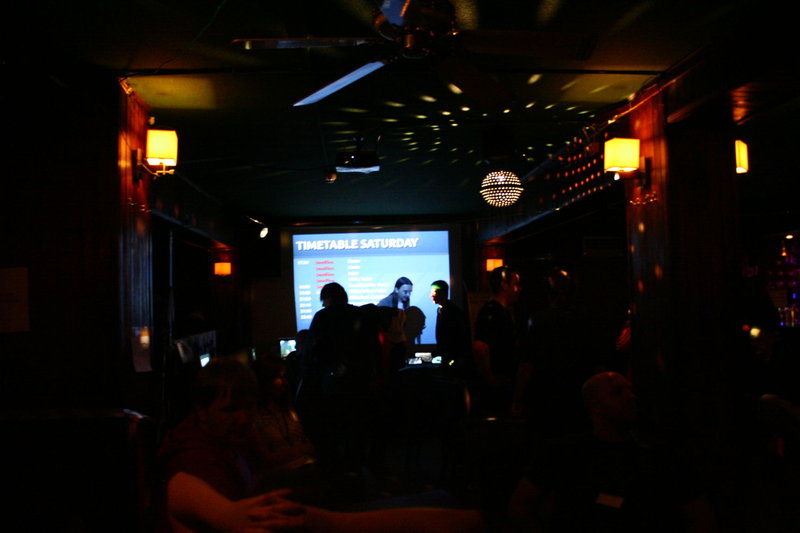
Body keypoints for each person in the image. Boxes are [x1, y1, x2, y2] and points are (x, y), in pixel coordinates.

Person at [507, 371, 717, 533]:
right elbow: (519, 507)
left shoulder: (661, 457)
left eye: (630, 390)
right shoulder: (563, 453)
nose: (631, 397)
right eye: (617, 392)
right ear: (595, 406)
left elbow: (701, 516)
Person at [158, 357, 306, 532]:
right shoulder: (195, 460)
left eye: (249, 407)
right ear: (202, 411)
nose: (243, 419)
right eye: (230, 410)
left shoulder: (232, 439)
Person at [472, 266, 522, 415]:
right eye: (516, 284)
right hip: (498, 384)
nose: (519, 289)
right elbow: (479, 347)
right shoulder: (493, 312)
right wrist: (491, 378)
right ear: (504, 285)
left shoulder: (500, 311)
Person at [430, 280, 472, 375]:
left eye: (434, 292)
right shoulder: (441, 310)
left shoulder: (453, 312)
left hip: (454, 360)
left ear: (443, 293)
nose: (431, 295)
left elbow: (459, 336)